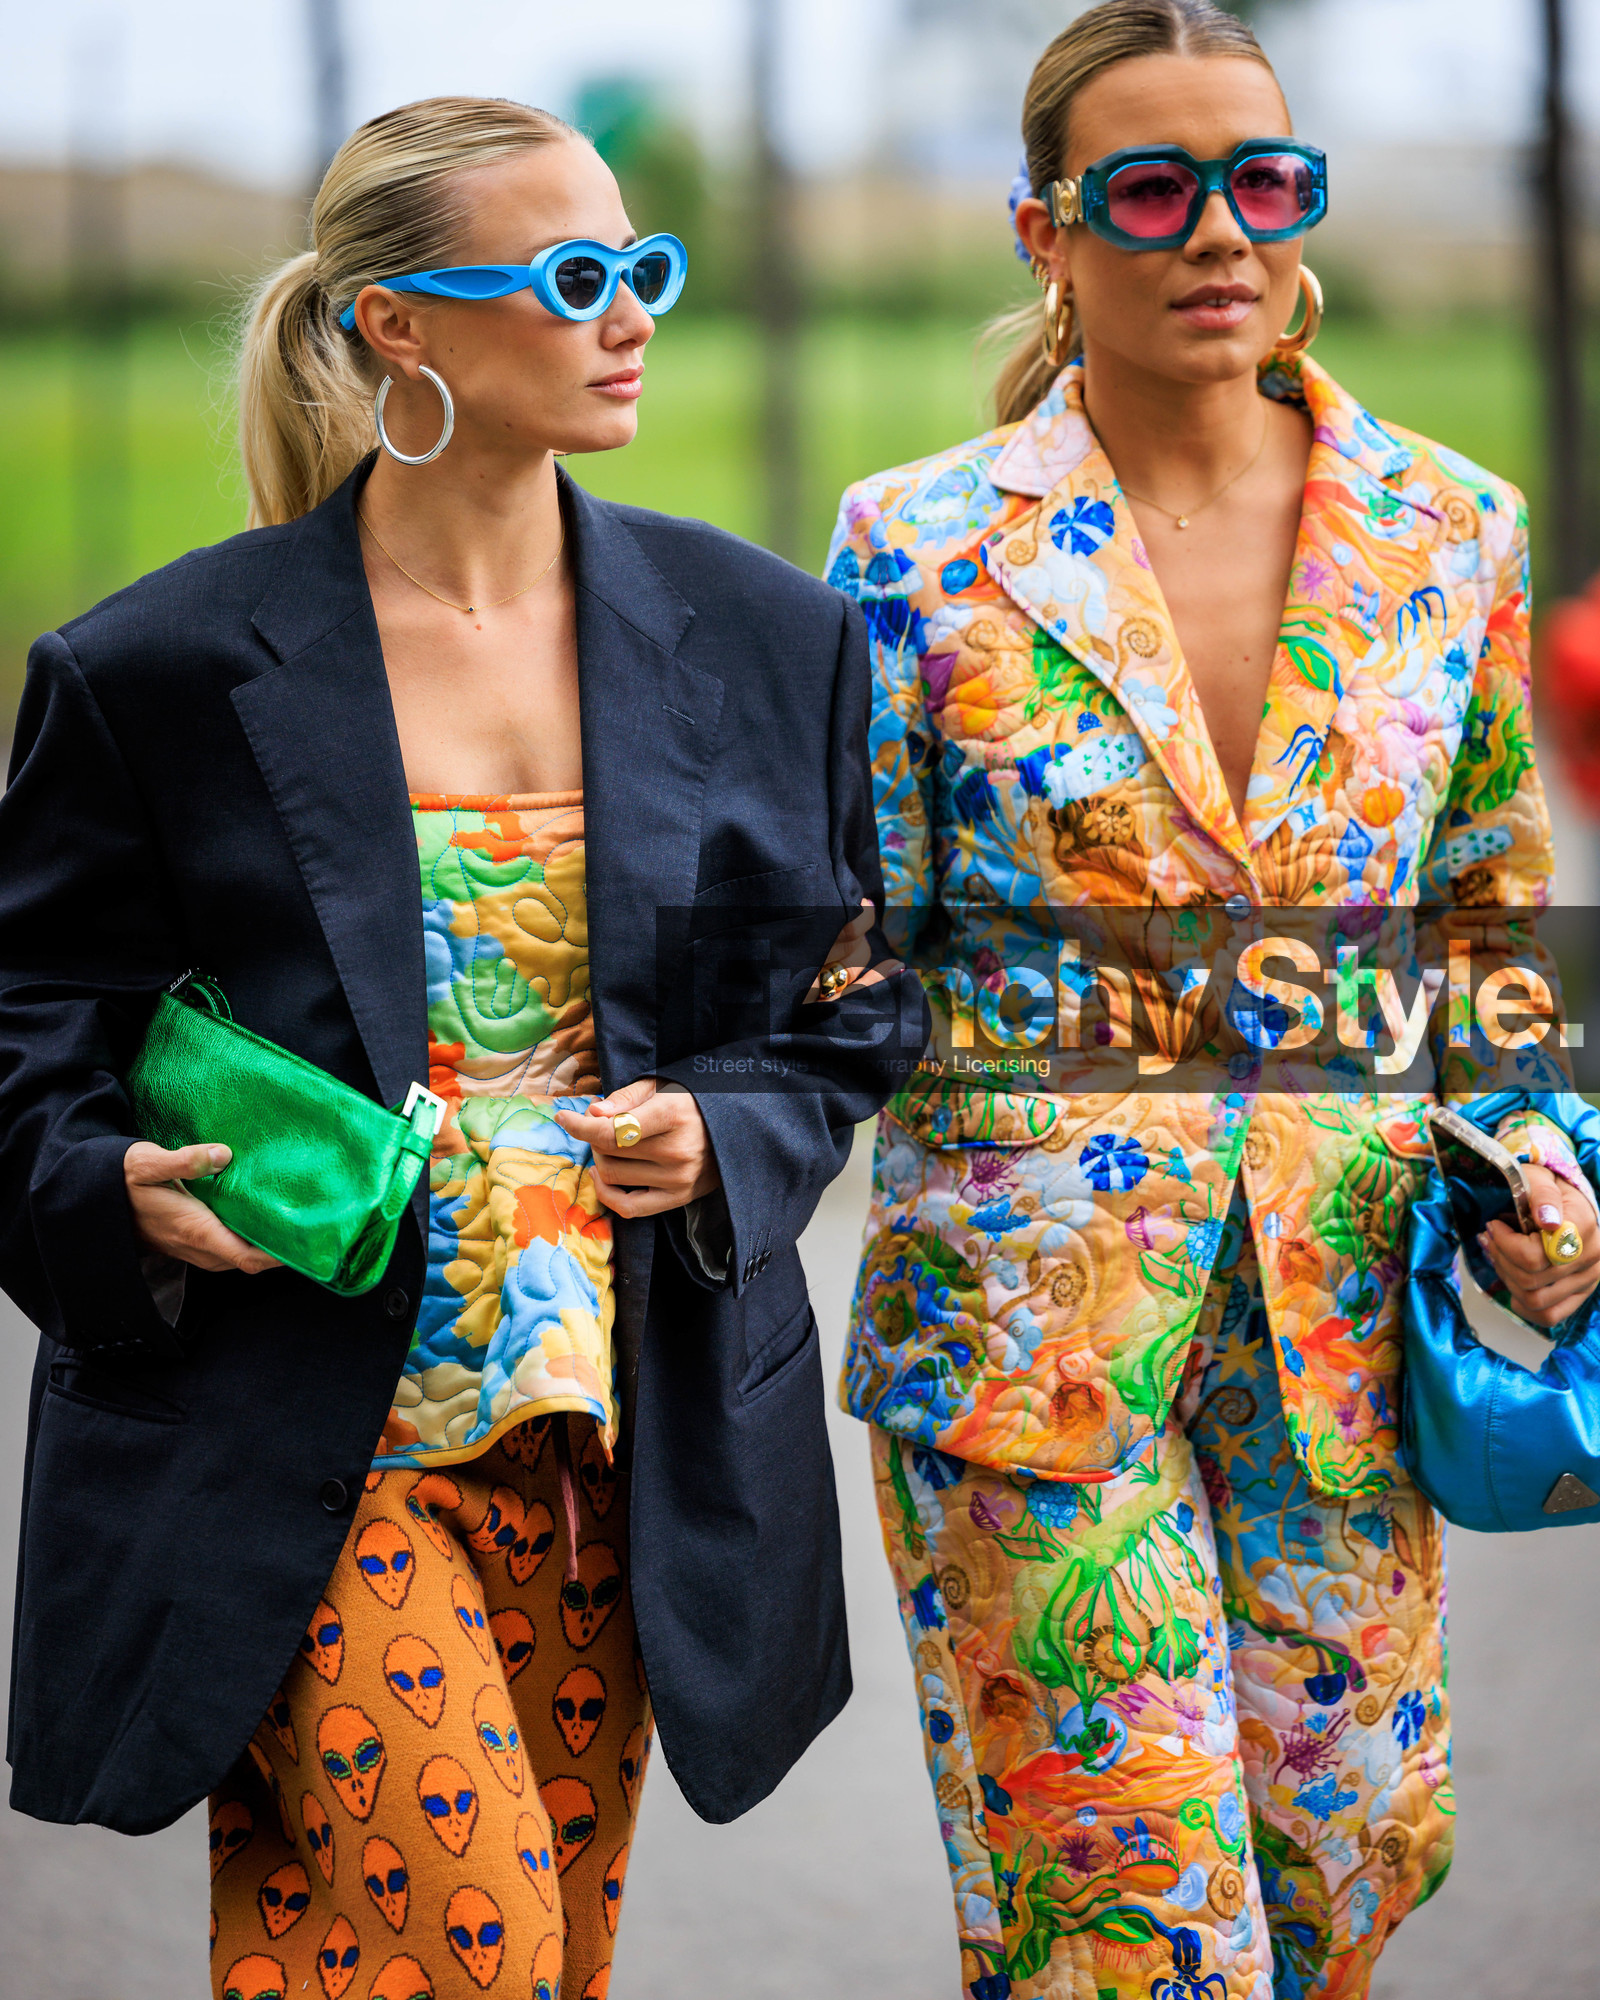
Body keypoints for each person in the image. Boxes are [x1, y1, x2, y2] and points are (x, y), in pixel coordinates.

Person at [0, 96, 920, 2000]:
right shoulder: (154, 671)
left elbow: (838, 1010)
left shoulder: (764, 641)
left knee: (508, 1961)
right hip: (302, 1427)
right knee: (475, 1959)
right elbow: (33, 1023)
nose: (630, 315)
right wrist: (106, 1193)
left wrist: (725, 1131)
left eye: (642, 269)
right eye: (573, 277)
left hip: (623, 1421)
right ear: (399, 326)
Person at [825, 4, 1600, 1997]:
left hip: (1348, 1313)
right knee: (1124, 1924)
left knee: (1349, 1860)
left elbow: (1488, 906)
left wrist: (1532, 1141)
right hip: (1022, 1322)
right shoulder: (909, 550)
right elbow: (846, 936)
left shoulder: (1450, 532)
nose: (1215, 231)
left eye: (1261, 181)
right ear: (1042, 230)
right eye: (1149, 189)